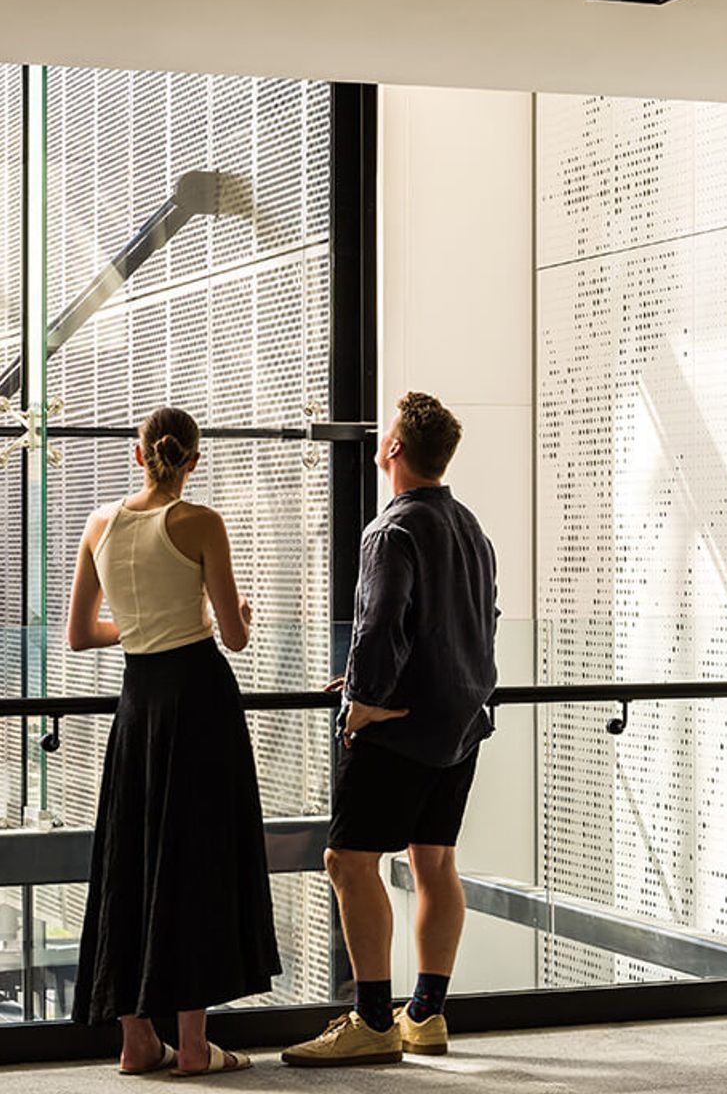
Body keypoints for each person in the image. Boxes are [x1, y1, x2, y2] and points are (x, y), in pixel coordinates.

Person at [283, 391, 498, 1068]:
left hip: (400, 728)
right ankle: (425, 1015)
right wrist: (365, 679)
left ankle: (372, 1020)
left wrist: (364, 698)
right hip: (460, 723)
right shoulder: (470, 528)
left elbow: (380, 624)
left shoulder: (391, 529)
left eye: (386, 433)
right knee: (435, 862)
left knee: (348, 861)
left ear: (395, 449)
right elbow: (479, 621)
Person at [67, 406, 278, 1077]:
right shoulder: (201, 522)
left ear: (139, 455)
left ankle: (136, 1040)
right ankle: (192, 1044)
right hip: (200, 701)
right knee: (196, 858)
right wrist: (236, 616)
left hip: (139, 704)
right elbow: (234, 636)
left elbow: (80, 634)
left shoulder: (98, 525)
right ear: (194, 460)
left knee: (131, 855)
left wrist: (137, 627)